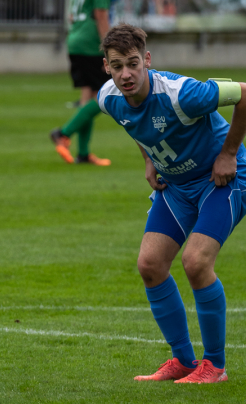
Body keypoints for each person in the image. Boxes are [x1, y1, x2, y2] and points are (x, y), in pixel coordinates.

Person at [98, 23, 246, 384]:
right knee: (150, 265)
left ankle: (215, 367)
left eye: (133, 64)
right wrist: (149, 160)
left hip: (220, 180)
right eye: (117, 66)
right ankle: (183, 360)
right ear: (106, 66)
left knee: (196, 262)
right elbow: (135, 125)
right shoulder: (108, 98)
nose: (126, 74)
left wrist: (228, 153)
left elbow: (244, 93)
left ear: (147, 60)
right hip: (177, 186)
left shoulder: (183, 94)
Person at [49, 0, 113, 166]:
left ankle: (84, 154)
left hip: (75, 40)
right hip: (90, 44)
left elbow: (72, 14)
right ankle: (63, 133)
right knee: (107, 95)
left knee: (88, 96)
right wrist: (110, 48)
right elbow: (101, 15)